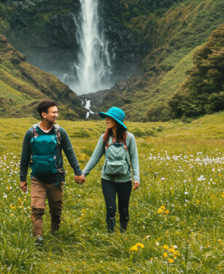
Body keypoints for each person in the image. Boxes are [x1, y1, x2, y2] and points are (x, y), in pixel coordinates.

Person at [18, 99, 85, 243]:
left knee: (56, 210)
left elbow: (69, 152)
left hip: (56, 178)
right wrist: (22, 179)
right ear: (44, 114)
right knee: (37, 208)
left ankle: (55, 233)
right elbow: (24, 157)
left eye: (57, 112)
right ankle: (38, 237)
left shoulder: (60, 132)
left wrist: (78, 172)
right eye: (53, 112)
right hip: (37, 178)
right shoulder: (31, 133)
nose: (56, 115)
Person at [81, 106, 139, 233]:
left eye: (109, 118)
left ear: (117, 121)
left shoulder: (129, 138)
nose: (106, 119)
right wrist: (84, 173)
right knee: (111, 208)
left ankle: (123, 235)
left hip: (125, 180)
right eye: (106, 117)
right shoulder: (104, 138)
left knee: (124, 208)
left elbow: (134, 158)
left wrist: (136, 178)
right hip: (107, 179)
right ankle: (111, 235)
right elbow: (95, 158)